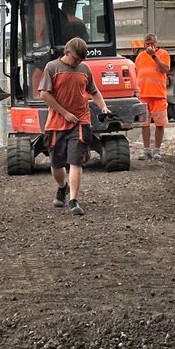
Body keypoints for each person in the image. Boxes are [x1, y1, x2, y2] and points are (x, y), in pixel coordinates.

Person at [39, 36, 111, 216]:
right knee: (56, 164)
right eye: (76, 58)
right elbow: (44, 95)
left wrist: (103, 106)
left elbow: (94, 92)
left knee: (76, 161)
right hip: (56, 122)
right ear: (67, 52)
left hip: (80, 121)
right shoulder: (52, 68)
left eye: (81, 59)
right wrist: (64, 113)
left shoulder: (84, 70)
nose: (78, 62)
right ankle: (62, 187)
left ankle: (73, 200)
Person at [134, 33, 170, 159]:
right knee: (145, 124)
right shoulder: (140, 56)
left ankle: (157, 150)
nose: (149, 46)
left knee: (160, 124)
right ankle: (146, 150)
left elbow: (165, 69)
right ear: (144, 44)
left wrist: (153, 56)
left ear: (156, 44)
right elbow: (136, 73)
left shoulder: (163, 54)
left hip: (158, 96)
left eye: (152, 44)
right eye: (147, 44)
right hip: (143, 96)